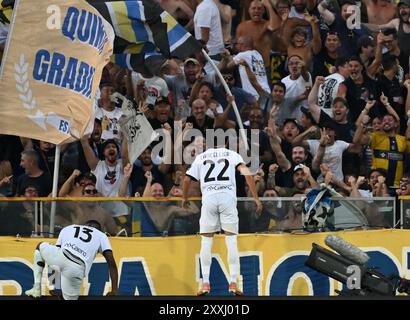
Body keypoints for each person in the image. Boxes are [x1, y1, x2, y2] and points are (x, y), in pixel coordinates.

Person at [182, 140, 262, 296]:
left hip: (209, 199)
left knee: (206, 241)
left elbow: (186, 179)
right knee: (231, 240)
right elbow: (246, 173)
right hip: (227, 199)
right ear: (226, 143)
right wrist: (256, 198)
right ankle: (233, 282)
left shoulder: (202, 157)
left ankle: (205, 283)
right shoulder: (232, 154)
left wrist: (184, 197)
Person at [25, 220, 118, 300]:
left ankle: (37, 288)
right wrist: (114, 291)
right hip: (77, 268)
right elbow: (111, 263)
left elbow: (54, 263)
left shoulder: (69, 228)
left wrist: (54, 287)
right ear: (99, 229)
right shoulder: (101, 235)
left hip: (62, 255)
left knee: (40, 247)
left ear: (84, 225)